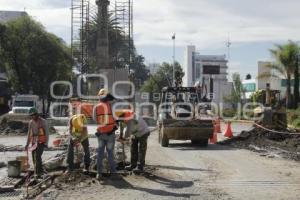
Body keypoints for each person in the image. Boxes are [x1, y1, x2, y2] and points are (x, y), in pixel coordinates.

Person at [94, 88, 118, 180]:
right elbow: (115, 118)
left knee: (100, 154)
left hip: (100, 134)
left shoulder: (96, 107)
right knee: (110, 154)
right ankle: (113, 173)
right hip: (110, 134)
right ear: (107, 97)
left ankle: (99, 174)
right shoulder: (111, 106)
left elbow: (95, 119)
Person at [25, 107, 49, 177]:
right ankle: (38, 171)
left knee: (38, 156)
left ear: (37, 114)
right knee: (33, 157)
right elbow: (29, 134)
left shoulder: (43, 121)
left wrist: (46, 143)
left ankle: (38, 172)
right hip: (34, 142)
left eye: (34, 115)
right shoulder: (31, 122)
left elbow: (47, 133)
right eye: (31, 115)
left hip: (41, 142)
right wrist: (27, 144)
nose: (33, 116)